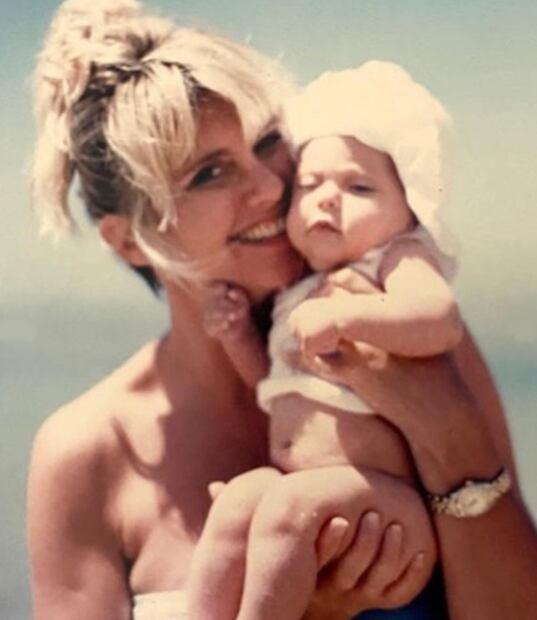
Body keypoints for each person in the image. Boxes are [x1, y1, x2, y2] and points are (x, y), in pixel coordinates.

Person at [27, 2, 537, 620]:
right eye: (210, 173)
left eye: (268, 141)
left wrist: (448, 432)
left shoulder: (396, 325)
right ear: (129, 240)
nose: (271, 187)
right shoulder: (86, 454)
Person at [189, 61, 460, 620]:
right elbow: (276, 385)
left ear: (408, 208)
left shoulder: (395, 258)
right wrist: (239, 337)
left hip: (386, 500)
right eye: (309, 186)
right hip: (308, 492)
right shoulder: (299, 290)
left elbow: (439, 318)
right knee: (239, 501)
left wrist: (349, 317)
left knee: (285, 507)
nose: (328, 199)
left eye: (359, 187)